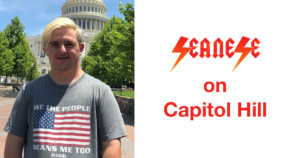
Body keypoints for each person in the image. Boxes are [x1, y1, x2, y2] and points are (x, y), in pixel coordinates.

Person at [4, 17, 127, 158]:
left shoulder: (101, 91)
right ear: (45, 50)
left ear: (81, 48)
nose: (62, 50)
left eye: (69, 44)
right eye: (55, 45)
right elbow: (15, 141)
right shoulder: (29, 91)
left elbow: (111, 144)